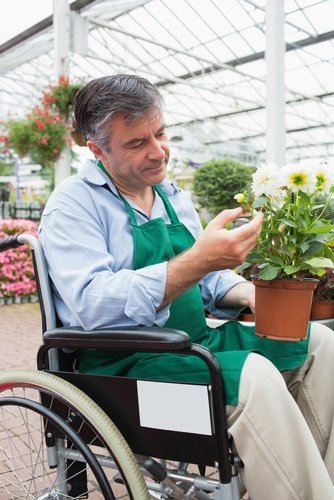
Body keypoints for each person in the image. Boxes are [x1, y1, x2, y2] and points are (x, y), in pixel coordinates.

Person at [38, 74, 334, 500]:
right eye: (137, 143)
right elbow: (91, 303)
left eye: (160, 133)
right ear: (98, 149)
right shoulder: (74, 204)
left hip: (193, 345)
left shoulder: (172, 196)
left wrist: (251, 293)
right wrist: (197, 260)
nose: (158, 152)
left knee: (320, 343)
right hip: (125, 374)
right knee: (253, 377)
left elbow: (209, 280)